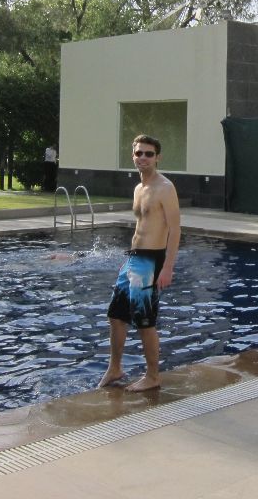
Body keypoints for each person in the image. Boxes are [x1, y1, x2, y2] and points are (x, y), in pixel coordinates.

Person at [98, 134, 181, 392]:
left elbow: (175, 229)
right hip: (134, 259)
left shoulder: (165, 188)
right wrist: (128, 261)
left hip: (151, 260)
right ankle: (115, 368)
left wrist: (167, 267)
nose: (143, 158)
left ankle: (153, 376)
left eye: (148, 154)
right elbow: (141, 227)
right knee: (116, 316)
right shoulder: (138, 188)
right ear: (133, 156)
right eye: (139, 153)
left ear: (157, 157)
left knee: (145, 321)